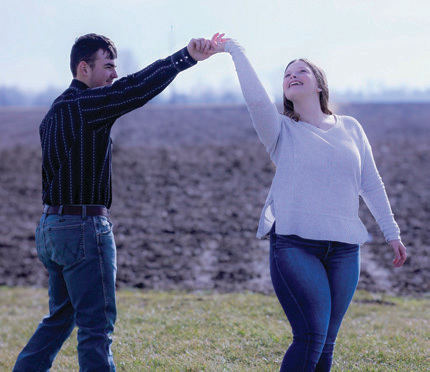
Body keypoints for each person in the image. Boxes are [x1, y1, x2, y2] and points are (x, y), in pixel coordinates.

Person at [13, 33, 215, 372]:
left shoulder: (53, 113)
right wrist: (186, 57)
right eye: (108, 66)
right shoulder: (86, 106)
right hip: (82, 229)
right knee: (96, 328)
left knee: (60, 319)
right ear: (83, 68)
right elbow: (133, 90)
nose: (114, 75)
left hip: (51, 230)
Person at [210, 33, 407, 371]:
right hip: (295, 246)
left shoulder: (351, 128)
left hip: (346, 251)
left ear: (319, 85)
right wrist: (233, 49)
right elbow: (257, 101)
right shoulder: (280, 131)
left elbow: (371, 183)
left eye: (301, 71)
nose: (292, 76)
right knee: (311, 337)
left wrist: (392, 233)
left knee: (326, 344)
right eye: (287, 74)